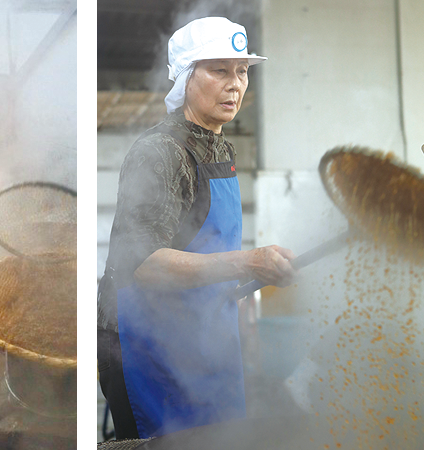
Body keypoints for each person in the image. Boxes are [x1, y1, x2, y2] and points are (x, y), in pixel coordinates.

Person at [97, 17, 298, 439]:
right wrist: (247, 261)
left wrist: (250, 282)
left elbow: (205, 248)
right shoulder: (160, 152)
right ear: (187, 77)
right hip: (150, 347)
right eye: (219, 70)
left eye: (242, 71)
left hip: (202, 340)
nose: (235, 84)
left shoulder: (217, 145)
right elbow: (144, 264)